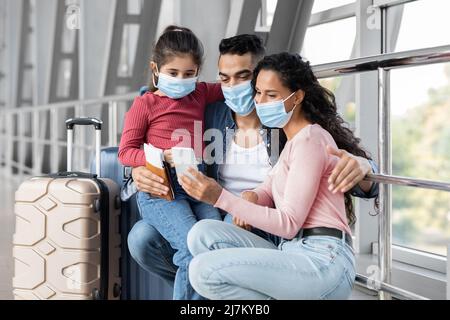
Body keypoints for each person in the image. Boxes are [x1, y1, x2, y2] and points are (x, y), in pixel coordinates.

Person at [125, 35, 378, 298]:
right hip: (218, 212)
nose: (232, 86)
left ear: (260, 77)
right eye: (224, 78)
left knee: (209, 241)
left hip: (273, 226)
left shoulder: (291, 122)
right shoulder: (210, 114)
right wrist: (136, 170)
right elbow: (156, 113)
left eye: (243, 77)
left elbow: (346, 167)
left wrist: (364, 165)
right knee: (144, 237)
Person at [118, 25, 224, 300]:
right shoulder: (145, 104)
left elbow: (233, 87)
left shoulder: (199, 94)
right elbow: (126, 152)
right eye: (173, 73)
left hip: (198, 187)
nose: (181, 79)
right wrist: (159, 156)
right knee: (191, 248)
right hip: (162, 192)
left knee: (214, 247)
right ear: (156, 69)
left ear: (198, 71)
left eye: (189, 74)